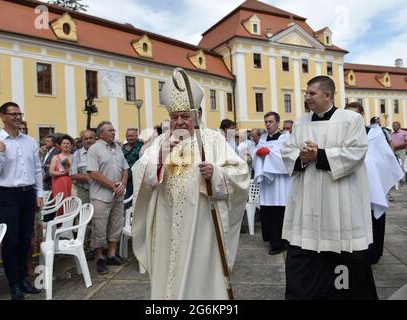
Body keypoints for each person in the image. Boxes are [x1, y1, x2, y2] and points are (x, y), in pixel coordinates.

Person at [132, 69, 250, 300]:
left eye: (184, 116)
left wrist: (216, 174)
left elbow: (240, 172)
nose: (179, 121)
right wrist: (160, 157)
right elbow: (141, 173)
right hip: (166, 221)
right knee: (169, 270)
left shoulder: (213, 139)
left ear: (197, 115)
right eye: (174, 116)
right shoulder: (161, 142)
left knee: (199, 275)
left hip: (202, 222)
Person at [281, 76, 378, 300]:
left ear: (327, 95)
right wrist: (303, 157)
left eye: (311, 93)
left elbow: (356, 153)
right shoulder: (300, 122)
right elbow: (287, 151)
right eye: (306, 93)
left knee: (342, 261)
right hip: (307, 200)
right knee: (303, 252)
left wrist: (320, 154)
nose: (307, 98)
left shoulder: (351, 119)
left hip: (340, 200)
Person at [0, 102, 43, 300]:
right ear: (3, 116)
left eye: (19, 113)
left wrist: (39, 194)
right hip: (7, 195)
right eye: (13, 114)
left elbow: (37, 170)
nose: (18, 117)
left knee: (25, 240)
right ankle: (14, 284)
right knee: (11, 241)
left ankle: (24, 279)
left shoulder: (30, 141)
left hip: (28, 194)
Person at [345, 102, 403, 264]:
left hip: (373, 183)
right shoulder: (343, 134)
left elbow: (385, 158)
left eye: (354, 114)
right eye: (347, 115)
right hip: (352, 182)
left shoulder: (375, 134)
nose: (350, 118)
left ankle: (374, 252)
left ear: (361, 115)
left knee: (374, 217)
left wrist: (368, 165)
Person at [87, 121, 130, 275]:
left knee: (115, 226)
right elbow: (93, 173)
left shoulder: (117, 147)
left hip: (117, 195)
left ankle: (111, 255)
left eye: (114, 129)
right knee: (99, 228)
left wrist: (123, 183)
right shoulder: (94, 149)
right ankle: (99, 258)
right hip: (101, 196)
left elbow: (125, 168)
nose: (114, 132)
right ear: (101, 134)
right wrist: (112, 185)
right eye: (110, 130)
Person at [253, 112, 291, 255]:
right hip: (267, 184)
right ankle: (271, 240)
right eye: (266, 122)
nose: (268, 125)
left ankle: (280, 243)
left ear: (277, 123)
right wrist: (260, 152)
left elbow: (285, 156)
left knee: (280, 213)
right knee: (268, 212)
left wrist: (269, 152)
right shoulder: (263, 138)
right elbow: (257, 154)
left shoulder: (285, 138)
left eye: (270, 122)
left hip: (280, 183)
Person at [49, 134, 74, 216]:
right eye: (64, 143)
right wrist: (63, 173)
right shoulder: (56, 157)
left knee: (71, 203)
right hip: (59, 183)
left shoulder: (74, 157)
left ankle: (70, 224)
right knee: (60, 204)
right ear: (60, 145)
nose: (66, 145)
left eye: (68, 143)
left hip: (71, 183)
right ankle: (59, 225)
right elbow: (51, 172)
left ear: (71, 145)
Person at [122, 128, 143, 203]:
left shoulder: (141, 147)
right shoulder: (122, 148)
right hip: (126, 180)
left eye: (132, 136)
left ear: (137, 136)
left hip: (138, 180)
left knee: (138, 201)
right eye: (128, 136)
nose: (130, 138)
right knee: (126, 201)